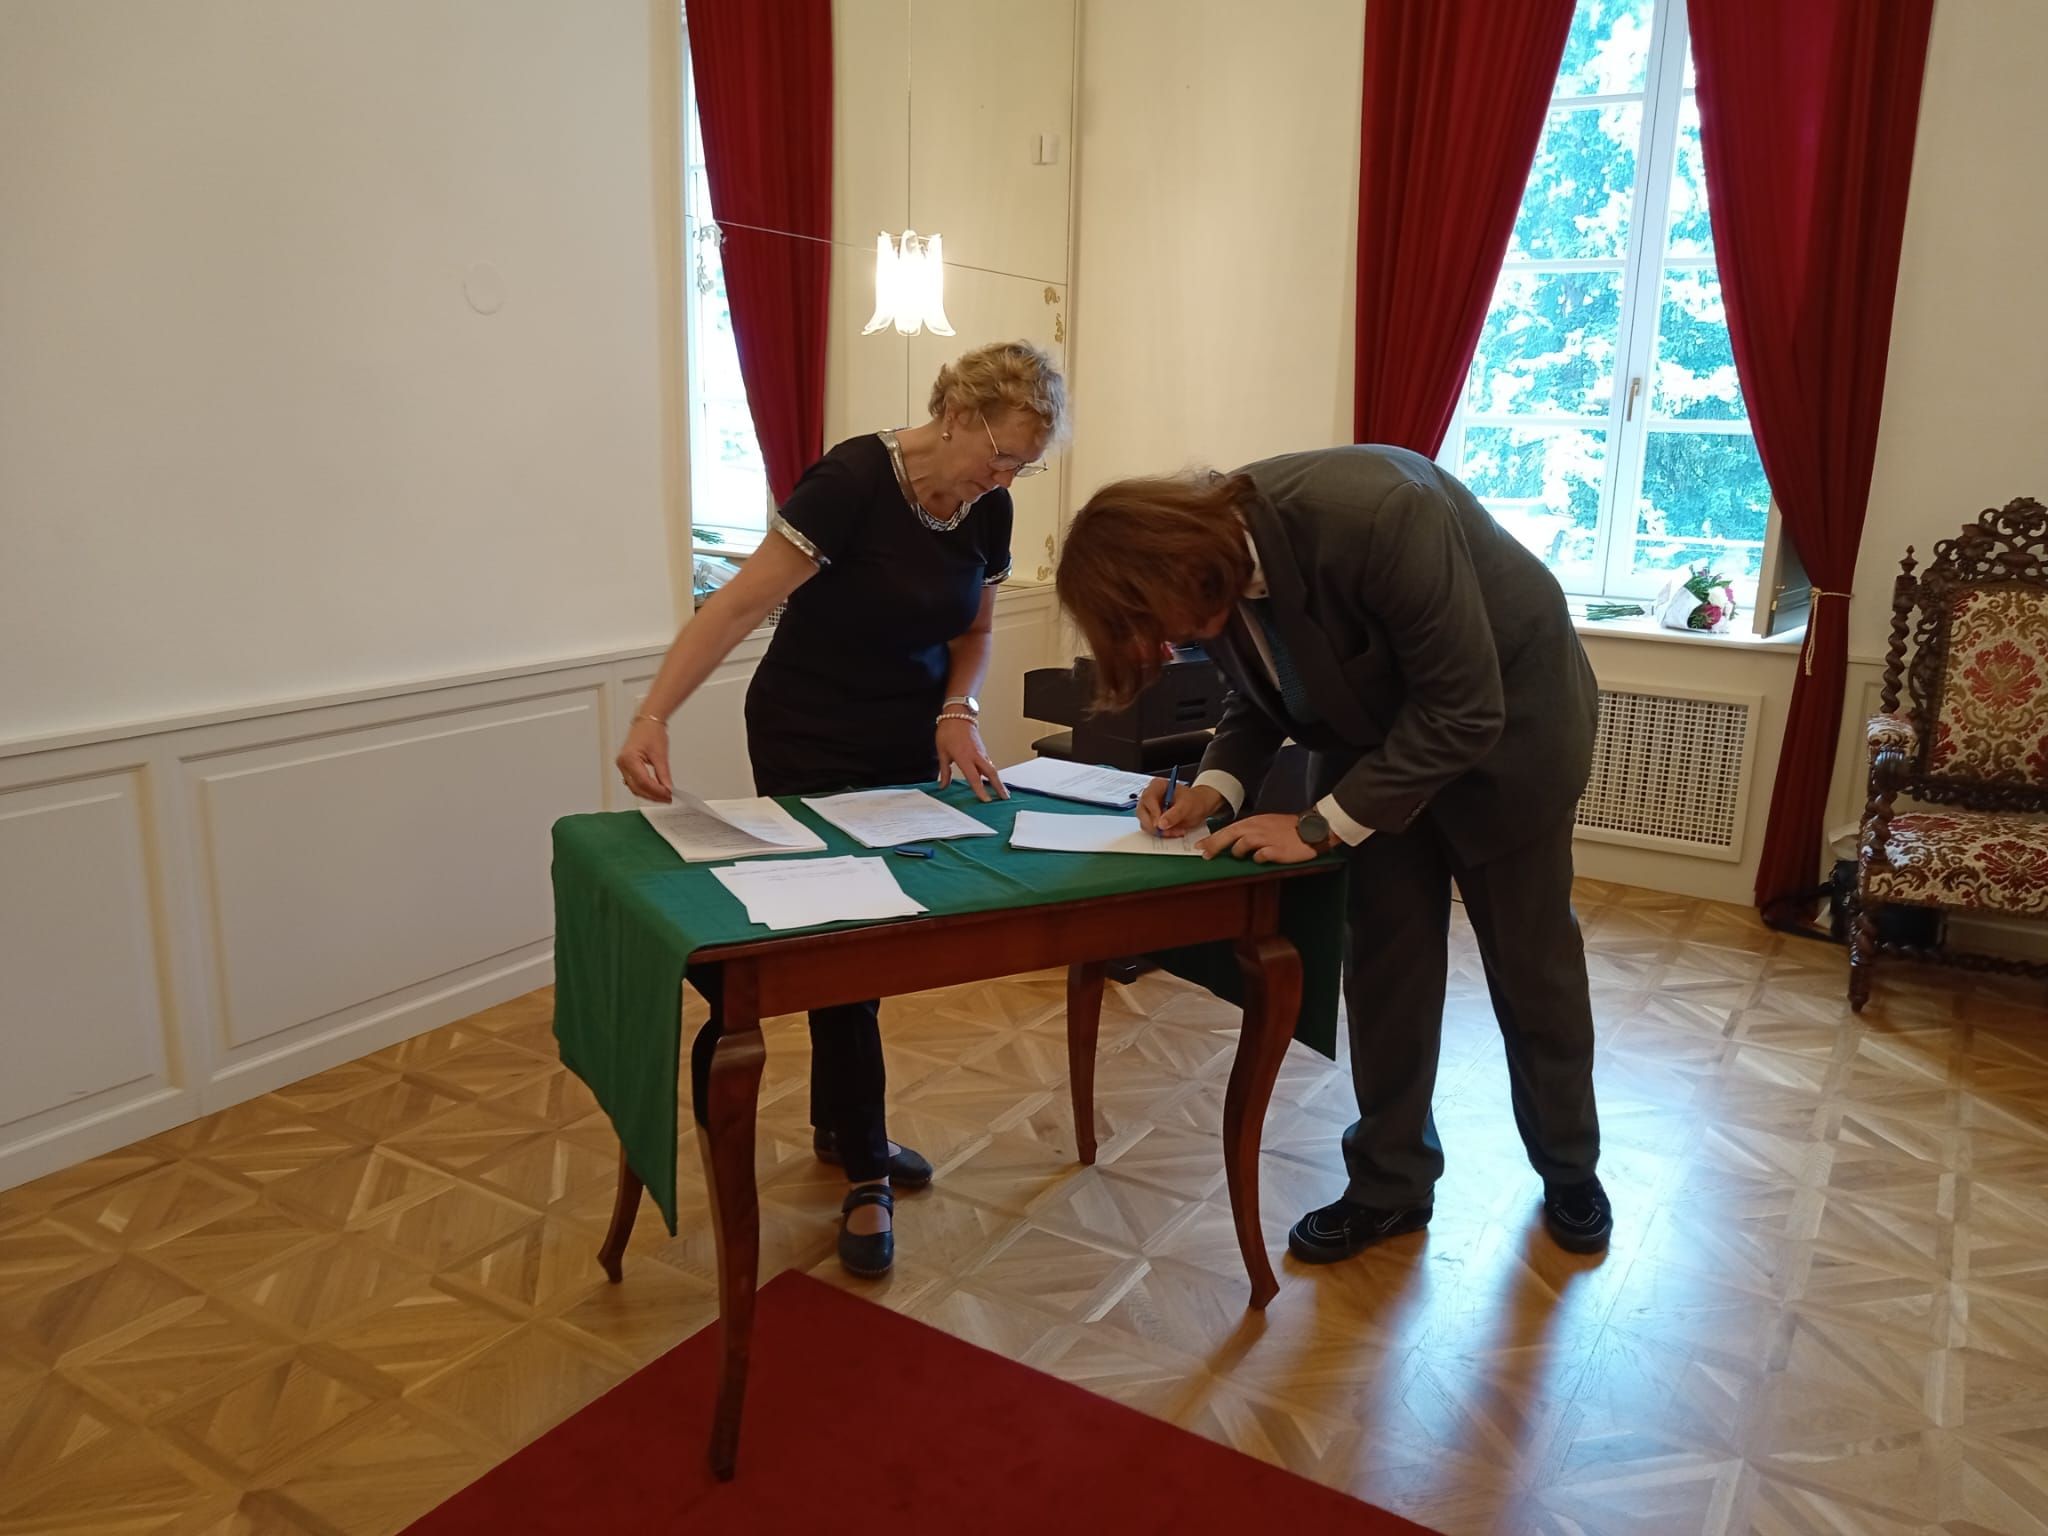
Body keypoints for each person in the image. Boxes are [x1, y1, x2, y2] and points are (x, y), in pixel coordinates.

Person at [1055, 445, 1611, 1260]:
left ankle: (1569, 1168)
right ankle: (1391, 1184)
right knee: (1384, 966)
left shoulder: (1379, 514)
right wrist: (1215, 788)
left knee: (1533, 968)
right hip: (1371, 743)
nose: (1165, 646)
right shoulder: (1208, 569)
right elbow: (1263, 689)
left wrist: (1315, 827)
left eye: (1156, 626)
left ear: (1182, 566)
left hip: (1508, 737)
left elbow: (1462, 709)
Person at [617, 340, 1067, 1276]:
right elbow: (736, 608)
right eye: (1002, 456)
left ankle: (837, 1123)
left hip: (907, 737)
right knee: (845, 930)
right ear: (958, 416)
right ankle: (865, 1165)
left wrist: (958, 709)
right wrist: (653, 715)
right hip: (807, 733)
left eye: (1022, 466)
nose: (1004, 480)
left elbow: (975, 628)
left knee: (869, 936)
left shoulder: (987, 507)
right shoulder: (852, 482)